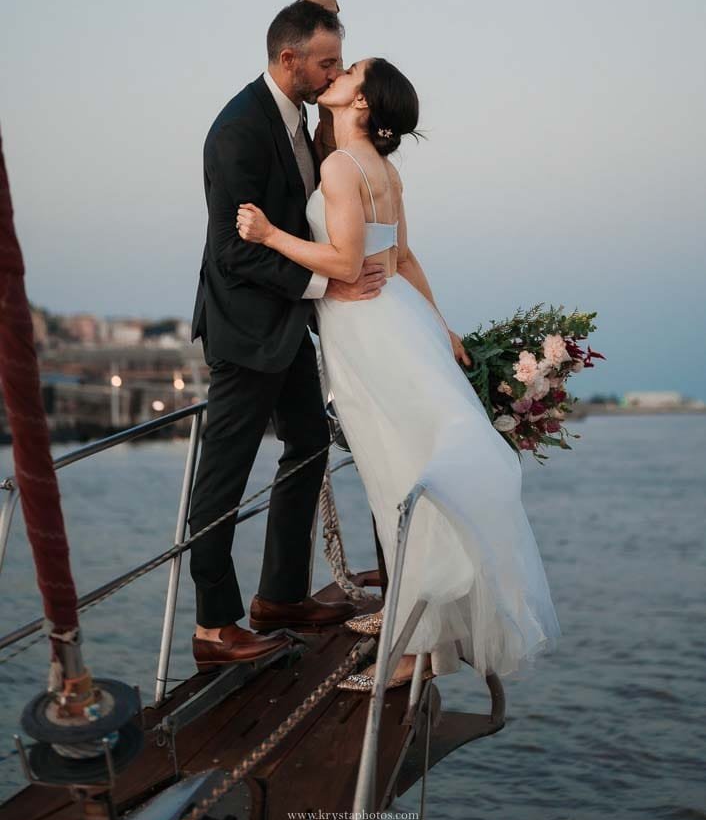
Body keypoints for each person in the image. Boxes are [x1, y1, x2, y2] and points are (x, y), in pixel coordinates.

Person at [236, 57, 562, 688]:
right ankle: (418, 629)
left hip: (368, 331)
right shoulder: (383, 169)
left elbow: (347, 260)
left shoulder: (339, 165)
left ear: (363, 103)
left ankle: (411, 648)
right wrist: (440, 327)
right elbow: (403, 255)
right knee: (407, 472)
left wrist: (271, 234)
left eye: (350, 70)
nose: (339, 72)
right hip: (401, 318)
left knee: (394, 477)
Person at [188, 1, 388, 672]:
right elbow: (229, 253)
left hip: (287, 327)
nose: (333, 70)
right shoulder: (238, 131)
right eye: (327, 61)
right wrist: (323, 286)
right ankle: (216, 626)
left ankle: (278, 598)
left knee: (307, 443)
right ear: (288, 60)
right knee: (222, 481)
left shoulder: (302, 124)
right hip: (245, 330)